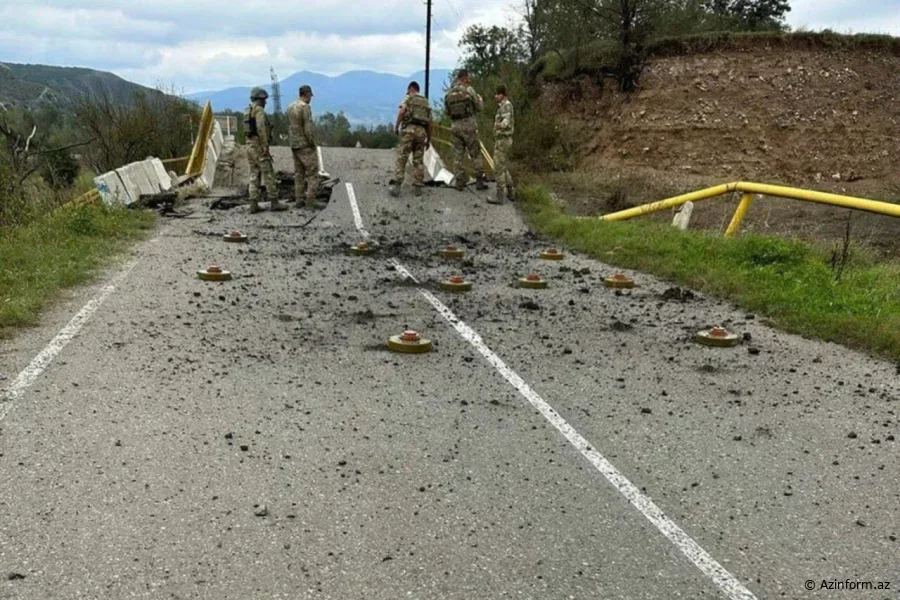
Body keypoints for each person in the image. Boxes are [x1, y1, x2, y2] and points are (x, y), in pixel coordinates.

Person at [443, 69, 487, 192]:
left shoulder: (449, 93)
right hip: (469, 126)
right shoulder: (469, 90)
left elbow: (447, 112)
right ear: (464, 78)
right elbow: (479, 107)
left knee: (457, 155)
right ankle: (479, 181)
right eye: (469, 77)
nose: (470, 79)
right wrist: (480, 99)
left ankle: (459, 182)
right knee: (475, 153)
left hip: (455, 127)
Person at [243, 87, 286, 213]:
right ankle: (274, 202)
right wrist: (265, 146)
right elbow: (261, 128)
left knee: (254, 175)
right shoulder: (259, 110)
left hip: (249, 146)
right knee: (269, 174)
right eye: (264, 100)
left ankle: (253, 204)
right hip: (258, 147)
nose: (265, 102)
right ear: (260, 99)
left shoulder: (247, 110)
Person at [390, 81, 432, 198]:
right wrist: (428, 139)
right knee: (418, 160)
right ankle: (418, 187)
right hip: (421, 133)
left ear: (410, 89)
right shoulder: (425, 102)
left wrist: (396, 127)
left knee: (402, 157)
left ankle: (397, 185)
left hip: (408, 131)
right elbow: (430, 123)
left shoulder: (408, 98)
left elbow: (402, 111)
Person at [287, 85, 319, 209]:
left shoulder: (290, 107)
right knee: (312, 173)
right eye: (310, 96)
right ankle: (310, 201)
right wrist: (312, 143)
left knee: (299, 174)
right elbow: (308, 128)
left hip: (294, 144)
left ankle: (299, 200)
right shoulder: (305, 107)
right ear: (307, 94)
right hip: (304, 144)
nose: (310, 98)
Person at [490, 84, 515, 205]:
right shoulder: (504, 106)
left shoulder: (506, 106)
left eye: (497, 94)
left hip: (503, 140)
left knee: (498, 168)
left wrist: (497, 125)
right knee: (503, 167)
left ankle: (500, 196)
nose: (495, 96)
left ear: (502, 95)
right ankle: (511, 191)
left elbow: (505, 123)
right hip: (503, 140)